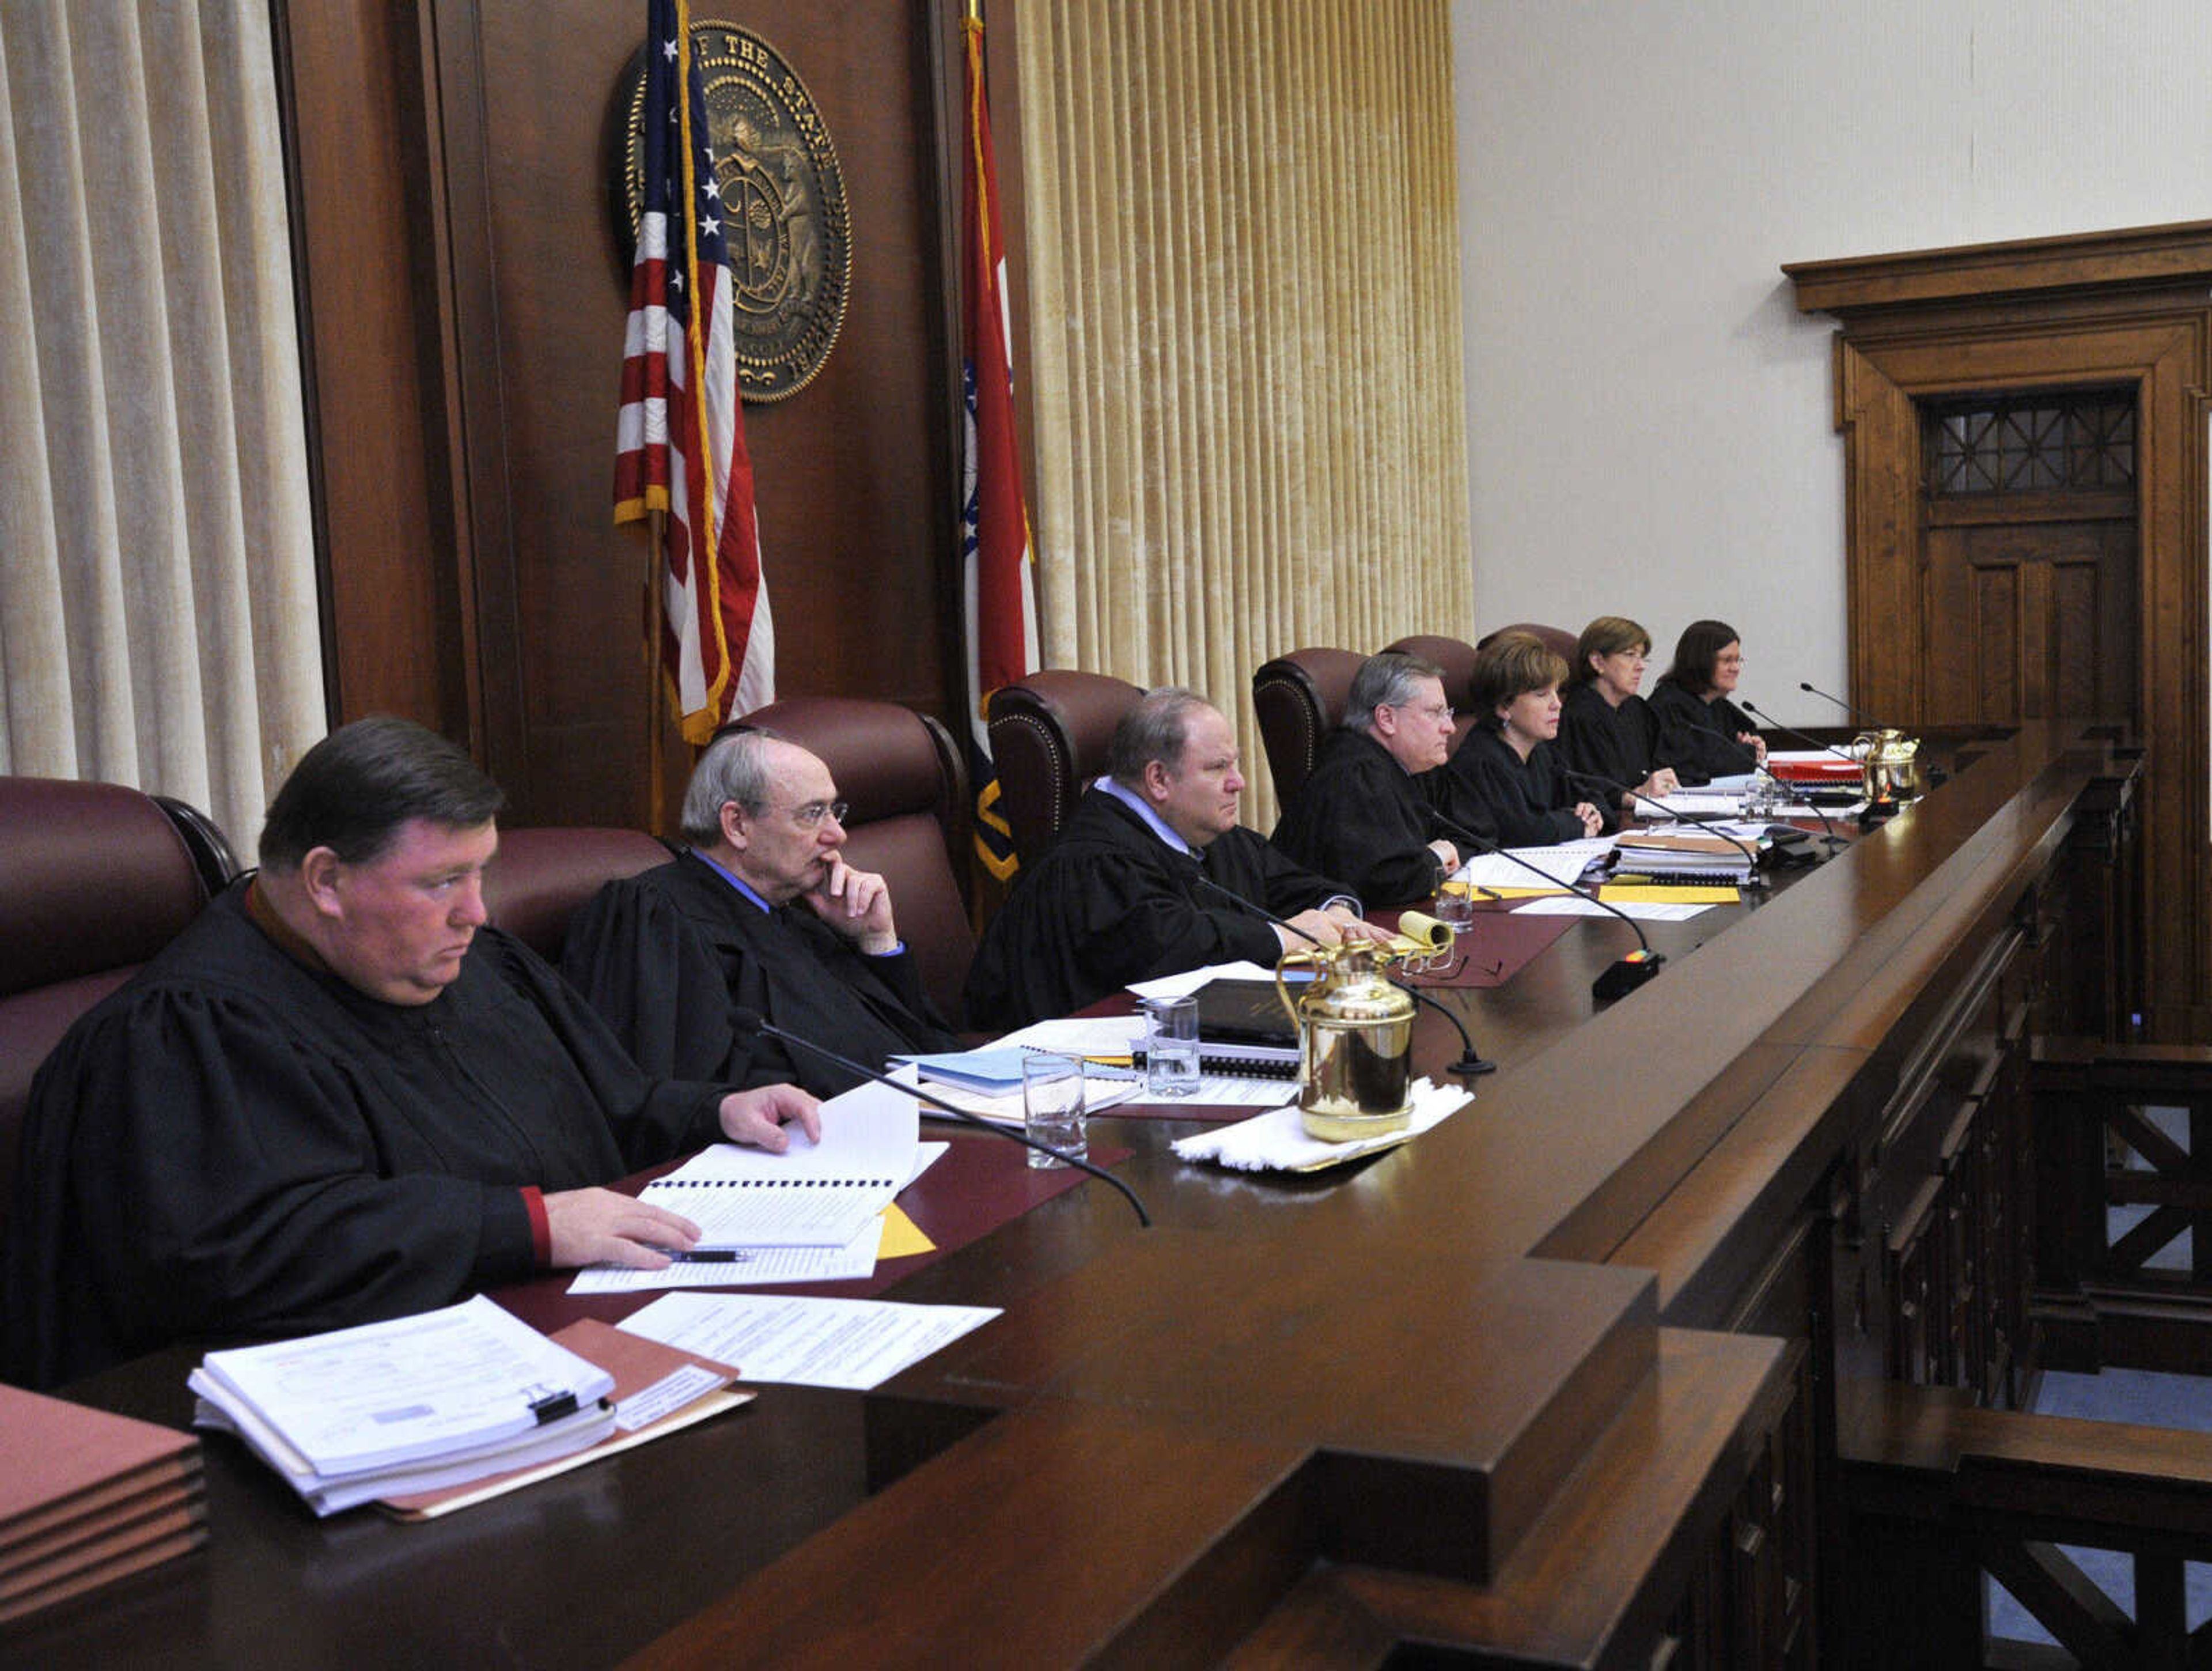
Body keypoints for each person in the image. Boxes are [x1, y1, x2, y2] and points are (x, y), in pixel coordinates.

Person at [2, 718, 820, 1389]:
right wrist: (527, 1225)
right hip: (352, 1424)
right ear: (327, 881)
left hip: (575, 1345)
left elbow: (604, 1103)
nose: (476, 911)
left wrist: (712, 1108)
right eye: (442, 883)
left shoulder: (465, 963)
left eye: (481, 873)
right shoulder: (185, 1035)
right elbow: (248, 1259)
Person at [562, 727, 960, 1096]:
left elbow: (923, 1052)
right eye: (812, 813)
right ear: (737, 825)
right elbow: (660, 1097)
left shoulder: (800, 917)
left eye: (834, 812)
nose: (838, 835)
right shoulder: (653, 918)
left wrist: (876, 942)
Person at [964, 687, 1390, 1030]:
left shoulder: (1208, 835)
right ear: (1159, 779)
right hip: (1061, 1080)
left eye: (1235, 765)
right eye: (1218, 768)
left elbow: (1297, 884)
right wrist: (1285, 937)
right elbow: (1169, 952)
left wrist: (1336, 912)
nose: (1238, 783)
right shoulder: (1094, 863)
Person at [1270, 651, 1480, 905]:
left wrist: (1446, 850)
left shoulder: (1410, 765)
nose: (1450, 727)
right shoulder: (1356, 776)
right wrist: (1435, 858)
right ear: (1386, 719)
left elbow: (1471, 831)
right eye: (1435, 713)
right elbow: (1383, 882)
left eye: (1448, 713)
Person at [1434, 632, 1607, 846]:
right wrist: (1577, 824)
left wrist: (1591, 810)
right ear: (1504, 706)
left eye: (1557, 692)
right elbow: (1524, 833)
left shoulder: (1541, 751)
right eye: (1542, 695)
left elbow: (1589, 796)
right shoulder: (1482, 760)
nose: (1557, 704)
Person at [1555, 616, 1681, 818]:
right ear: (1597, 662)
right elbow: (1583, 790)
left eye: (1642, 657)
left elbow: (1657, 765)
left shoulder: (1637, 709)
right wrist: (1635, 795)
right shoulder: (1578, 715)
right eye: (1630, 655)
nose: (1641, 666)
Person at [1649, 618, 1765, 785]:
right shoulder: (1670, 705)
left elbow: (1748, 732)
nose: (1736, 668)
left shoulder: (1715, 702)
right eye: (1727, 660)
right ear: (1701, 662)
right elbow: (1705, 766)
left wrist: (1755, 744)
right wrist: (1748, 753)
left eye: (1738, 660)